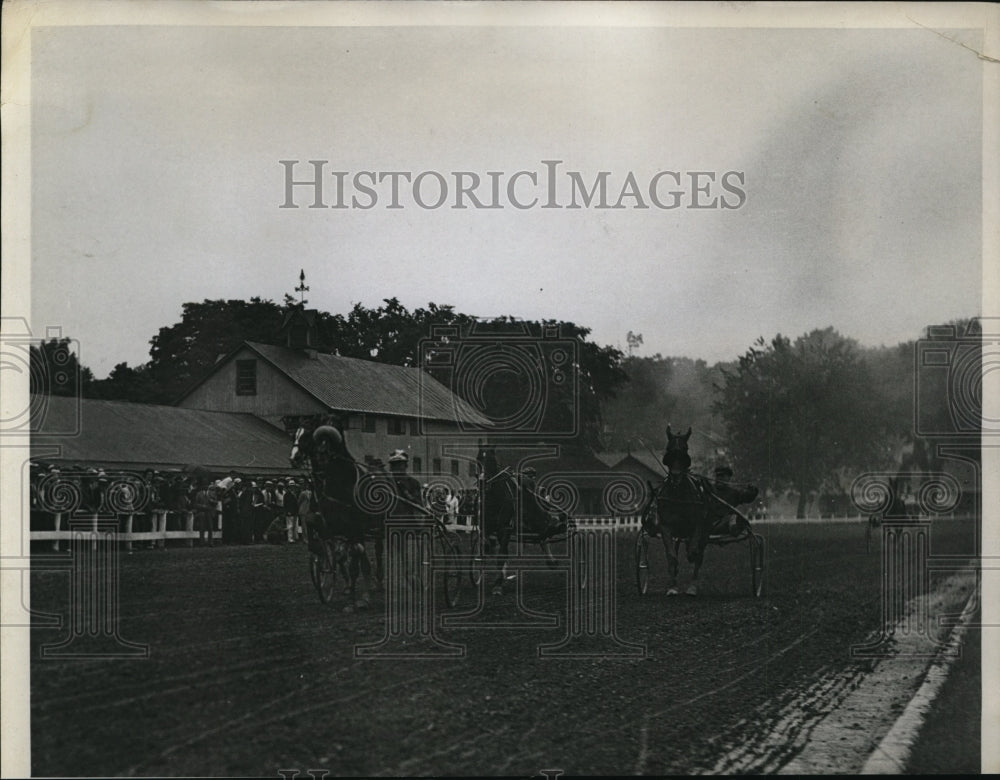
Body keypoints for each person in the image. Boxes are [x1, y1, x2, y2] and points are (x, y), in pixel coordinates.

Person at [387, 449, 423, 514]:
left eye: (399, 464)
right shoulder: (387, 482)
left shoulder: (413, 483)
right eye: (393, 465)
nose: (396, 468)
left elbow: (418, 505)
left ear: (406, 466)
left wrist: (406, 493)